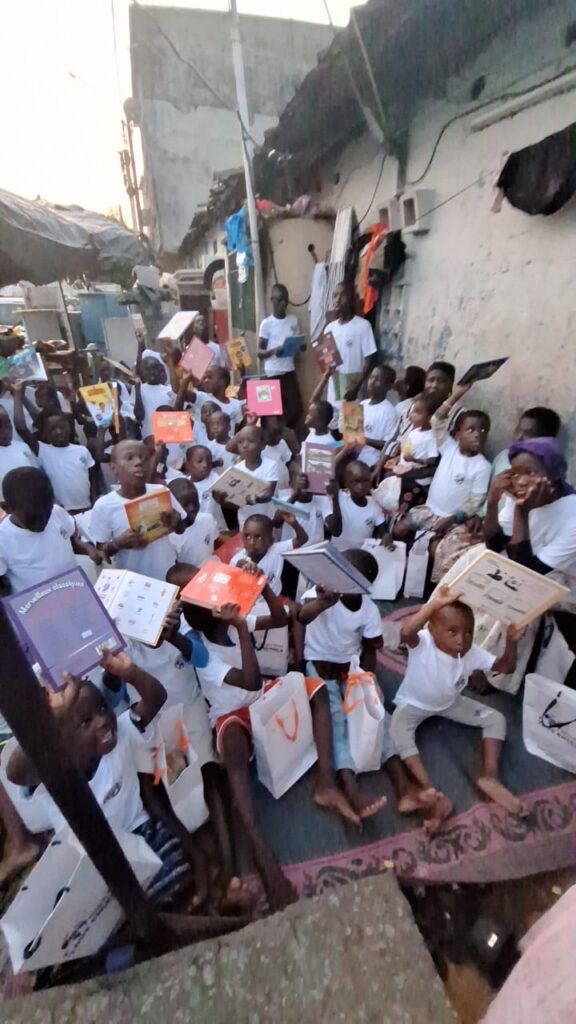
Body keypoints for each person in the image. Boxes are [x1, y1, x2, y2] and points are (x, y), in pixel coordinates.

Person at [182, 592, 362, 909]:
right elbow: (250, 681)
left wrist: (263, 589)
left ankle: (326, 783)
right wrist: (241, 627)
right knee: (232, 749)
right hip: (232, 714)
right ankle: (264, 858)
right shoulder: (204, 653)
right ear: (217, 617)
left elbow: (280, 619)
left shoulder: (234, 624)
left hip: (261, 696)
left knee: (316, 691)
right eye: (219, 603)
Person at [6, 651, 207, 909]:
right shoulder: (56, 770)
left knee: (174, 870)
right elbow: (15, 773)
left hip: (140, 832)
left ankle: (172, 908)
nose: (102, 721)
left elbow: (156, 697)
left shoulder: (123, 732)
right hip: (93, 859)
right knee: (105, 903)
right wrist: (54, 718)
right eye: (86, 722)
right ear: (63, 738)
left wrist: (130, 672)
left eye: (103, 708)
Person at [298, 548, 433, 820]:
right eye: (337, 572)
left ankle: (402, 786)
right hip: (319, 665)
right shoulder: (320, 593)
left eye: (347, 578)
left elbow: (370, 649)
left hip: (349, 666)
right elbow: (303, 616)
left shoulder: (368, 610)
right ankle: (350, 786)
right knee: (336, 719)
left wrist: (366, 682)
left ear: (362, 586)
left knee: (377, 714)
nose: (338, 581)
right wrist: (322, 603)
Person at [390, 586, 521, 830]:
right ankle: (432, 794)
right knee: (397, 733)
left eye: (468, 632)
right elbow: (406, 631)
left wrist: (511, 640)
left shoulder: (471, 652)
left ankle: (490, 776)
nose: (462, 639)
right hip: (414, 704)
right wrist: (433, 605)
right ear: (432, 629)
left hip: (450, 704)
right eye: (452, 631)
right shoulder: (423, 643)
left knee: (496, 719)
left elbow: (506, 667)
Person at [484, 437, 576, 686]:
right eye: (515, 474)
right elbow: (494, 544)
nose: (521, 481)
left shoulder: (572, 514)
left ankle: (496, 672)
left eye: (531, 472)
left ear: (554, 474)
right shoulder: (518, 496)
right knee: (478, 563)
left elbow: (525, 575)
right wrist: (492, 501)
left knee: (512, 592)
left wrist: (521, 512)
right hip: (538, 568)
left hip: (568, 585)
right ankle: (473, 654)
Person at [90, 440, 184, 582]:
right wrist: (118, 544)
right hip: (133, 582)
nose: (139, 462)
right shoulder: (104, 506)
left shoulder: (161, 492)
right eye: (129, 458)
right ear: (114, 468)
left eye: (144, 458)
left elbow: (182, 528)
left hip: (168, 577)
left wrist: (177, 522)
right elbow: (100, 552)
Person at [0, 467, 101, 595]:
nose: (42, 521)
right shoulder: (3, 540)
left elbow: (70, 540)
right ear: (7, 508)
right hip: (38, 603)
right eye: (33, 518)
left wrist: (87, 549)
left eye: (47, 512)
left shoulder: (57, 513)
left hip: (74, 591)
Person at [12, 383, 96, 514]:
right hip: (61, 513)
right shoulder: (43, 451)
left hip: (87, 509)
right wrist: (18, 394)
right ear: (45, 433)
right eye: (52, 429)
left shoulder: (82, 451)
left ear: (69, 427)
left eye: (61, 427)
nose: (58, 432)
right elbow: (21, 427)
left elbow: (92, 478)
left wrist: (94, 500)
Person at [325, 281, 377, 414]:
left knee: (352, 426)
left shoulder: (363, 326)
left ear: (351, 299)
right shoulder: (329, 328)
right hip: (333, 392)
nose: (337, 300)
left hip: (353, 392)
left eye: (342, 296)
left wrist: (356, 387)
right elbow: (327, 363)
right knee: (333, 425)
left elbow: (369, 360)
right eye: (335, 296)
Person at [258, 283, 305, 428]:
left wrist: (301, 345)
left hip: (289, 372)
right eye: (279, 300)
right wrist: (273, 351)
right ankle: (276, 437)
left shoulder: (293, 320)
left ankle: (286, 433)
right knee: (270, 414)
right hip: (272, 373)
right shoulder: (266, 324)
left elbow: (300, 344)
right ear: (272, 300)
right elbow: (259, 352)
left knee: (296, 409)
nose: (283, 304)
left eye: (285, 300)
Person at [231, 511, 308, 595]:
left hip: (276, 597)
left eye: (258, 537)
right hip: (252, 601)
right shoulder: (236, 561)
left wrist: (294, 524)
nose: (251, 542)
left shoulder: (276, 549)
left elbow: (302, 539)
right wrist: (239, 570)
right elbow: (233, 588)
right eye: (247, 536)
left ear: (271, 540)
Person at [326, 459, 388, 550]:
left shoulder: (374, 505)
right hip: (339, 554)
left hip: (361, 555)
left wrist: (386, 536)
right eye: (355, 481)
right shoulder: (338, 497)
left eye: (366, 481)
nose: (361, 486)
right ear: (346, 483)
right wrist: (335, 499)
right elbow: (335, 531)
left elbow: (383, 531)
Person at [228, 425, 279, 529]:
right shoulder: (236, 469)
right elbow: (234, 499)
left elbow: (268, 493)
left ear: (263, 445)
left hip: (267, 518)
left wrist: (250, 499)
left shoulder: (270, 465)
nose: (245, 445)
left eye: (251, 441)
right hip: (244, 519)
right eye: (241, 442)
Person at [168, 477, 219, 568]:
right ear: (173, 506)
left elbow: (215, 543)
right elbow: (174, 569)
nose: (191, 508)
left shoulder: (207, 519)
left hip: (212, 569)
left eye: (194, 501)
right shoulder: (171, 538)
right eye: (185, 505)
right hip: (190, 576)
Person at [177, 367, 245, 433]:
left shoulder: (236, 405)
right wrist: (185, 381)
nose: (206, 381)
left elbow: (237, 432)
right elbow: (179, 399)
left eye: (209, 377)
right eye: (205, 378)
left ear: (222, 382)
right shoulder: (201, 397)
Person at [357, 364, 400, 468]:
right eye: (371, 377)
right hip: (353, 454)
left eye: (378, 379)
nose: (372, 382)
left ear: (388, 386)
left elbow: (387, 445)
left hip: (369, 461)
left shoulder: (390, 412)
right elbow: (351, 434)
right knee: (324, 453)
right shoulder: (362, 404)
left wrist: (363, 439)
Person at [0, 404, 38, 501]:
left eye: (8, 423)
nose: (6, 430)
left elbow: (37, 475)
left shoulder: (22, 447)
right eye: (0, 426)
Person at [133, 355, 175, 438]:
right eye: (147, 369)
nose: (151, 372)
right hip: (148, 438)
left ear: (160, 370)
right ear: (143, 372)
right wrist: (138, 390)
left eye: (154, 368)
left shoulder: (170, 390)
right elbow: (139, 416)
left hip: (168, 437)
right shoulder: (139, 389)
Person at [261, 414, 299, 490]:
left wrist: (296, 474)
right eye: (275, 432)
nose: (280, 436)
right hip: (265, 491)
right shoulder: (258, 447)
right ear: (264, 428)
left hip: (283, 491)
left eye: (281, 433)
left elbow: (289, 462)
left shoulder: (282, 444)